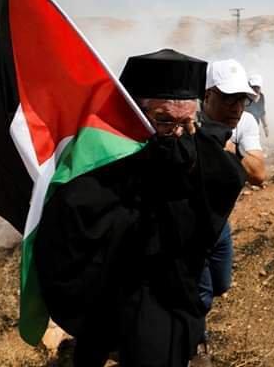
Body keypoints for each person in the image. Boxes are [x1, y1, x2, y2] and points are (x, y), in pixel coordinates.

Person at [34, 49, 247, 367]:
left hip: (168, 294)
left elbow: (227, 180)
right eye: (164, 121)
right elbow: (72, 217)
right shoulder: (106, 157)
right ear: (137, 116)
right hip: (113, 286)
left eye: (186, 122)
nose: (177, 132)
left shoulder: (191, 147)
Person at [193, 59, 266, 363]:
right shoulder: (188, 121)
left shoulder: (245, 123)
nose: (236, 108)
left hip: (219, 224)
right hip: (189, 226)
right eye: (228, 99)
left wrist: (228, 150)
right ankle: (195, 343)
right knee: (201, 296)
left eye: (241, 99)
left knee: (220, 284)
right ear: (207, 95)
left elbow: (258, 173)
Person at [245, 73, 269, 138]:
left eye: (257, 87)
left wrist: (265, 126)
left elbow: (262, 113)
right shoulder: (243, 97)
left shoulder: (261, 97)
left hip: (255, 127)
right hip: (244, 128)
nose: (255, 89)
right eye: (253, 87)